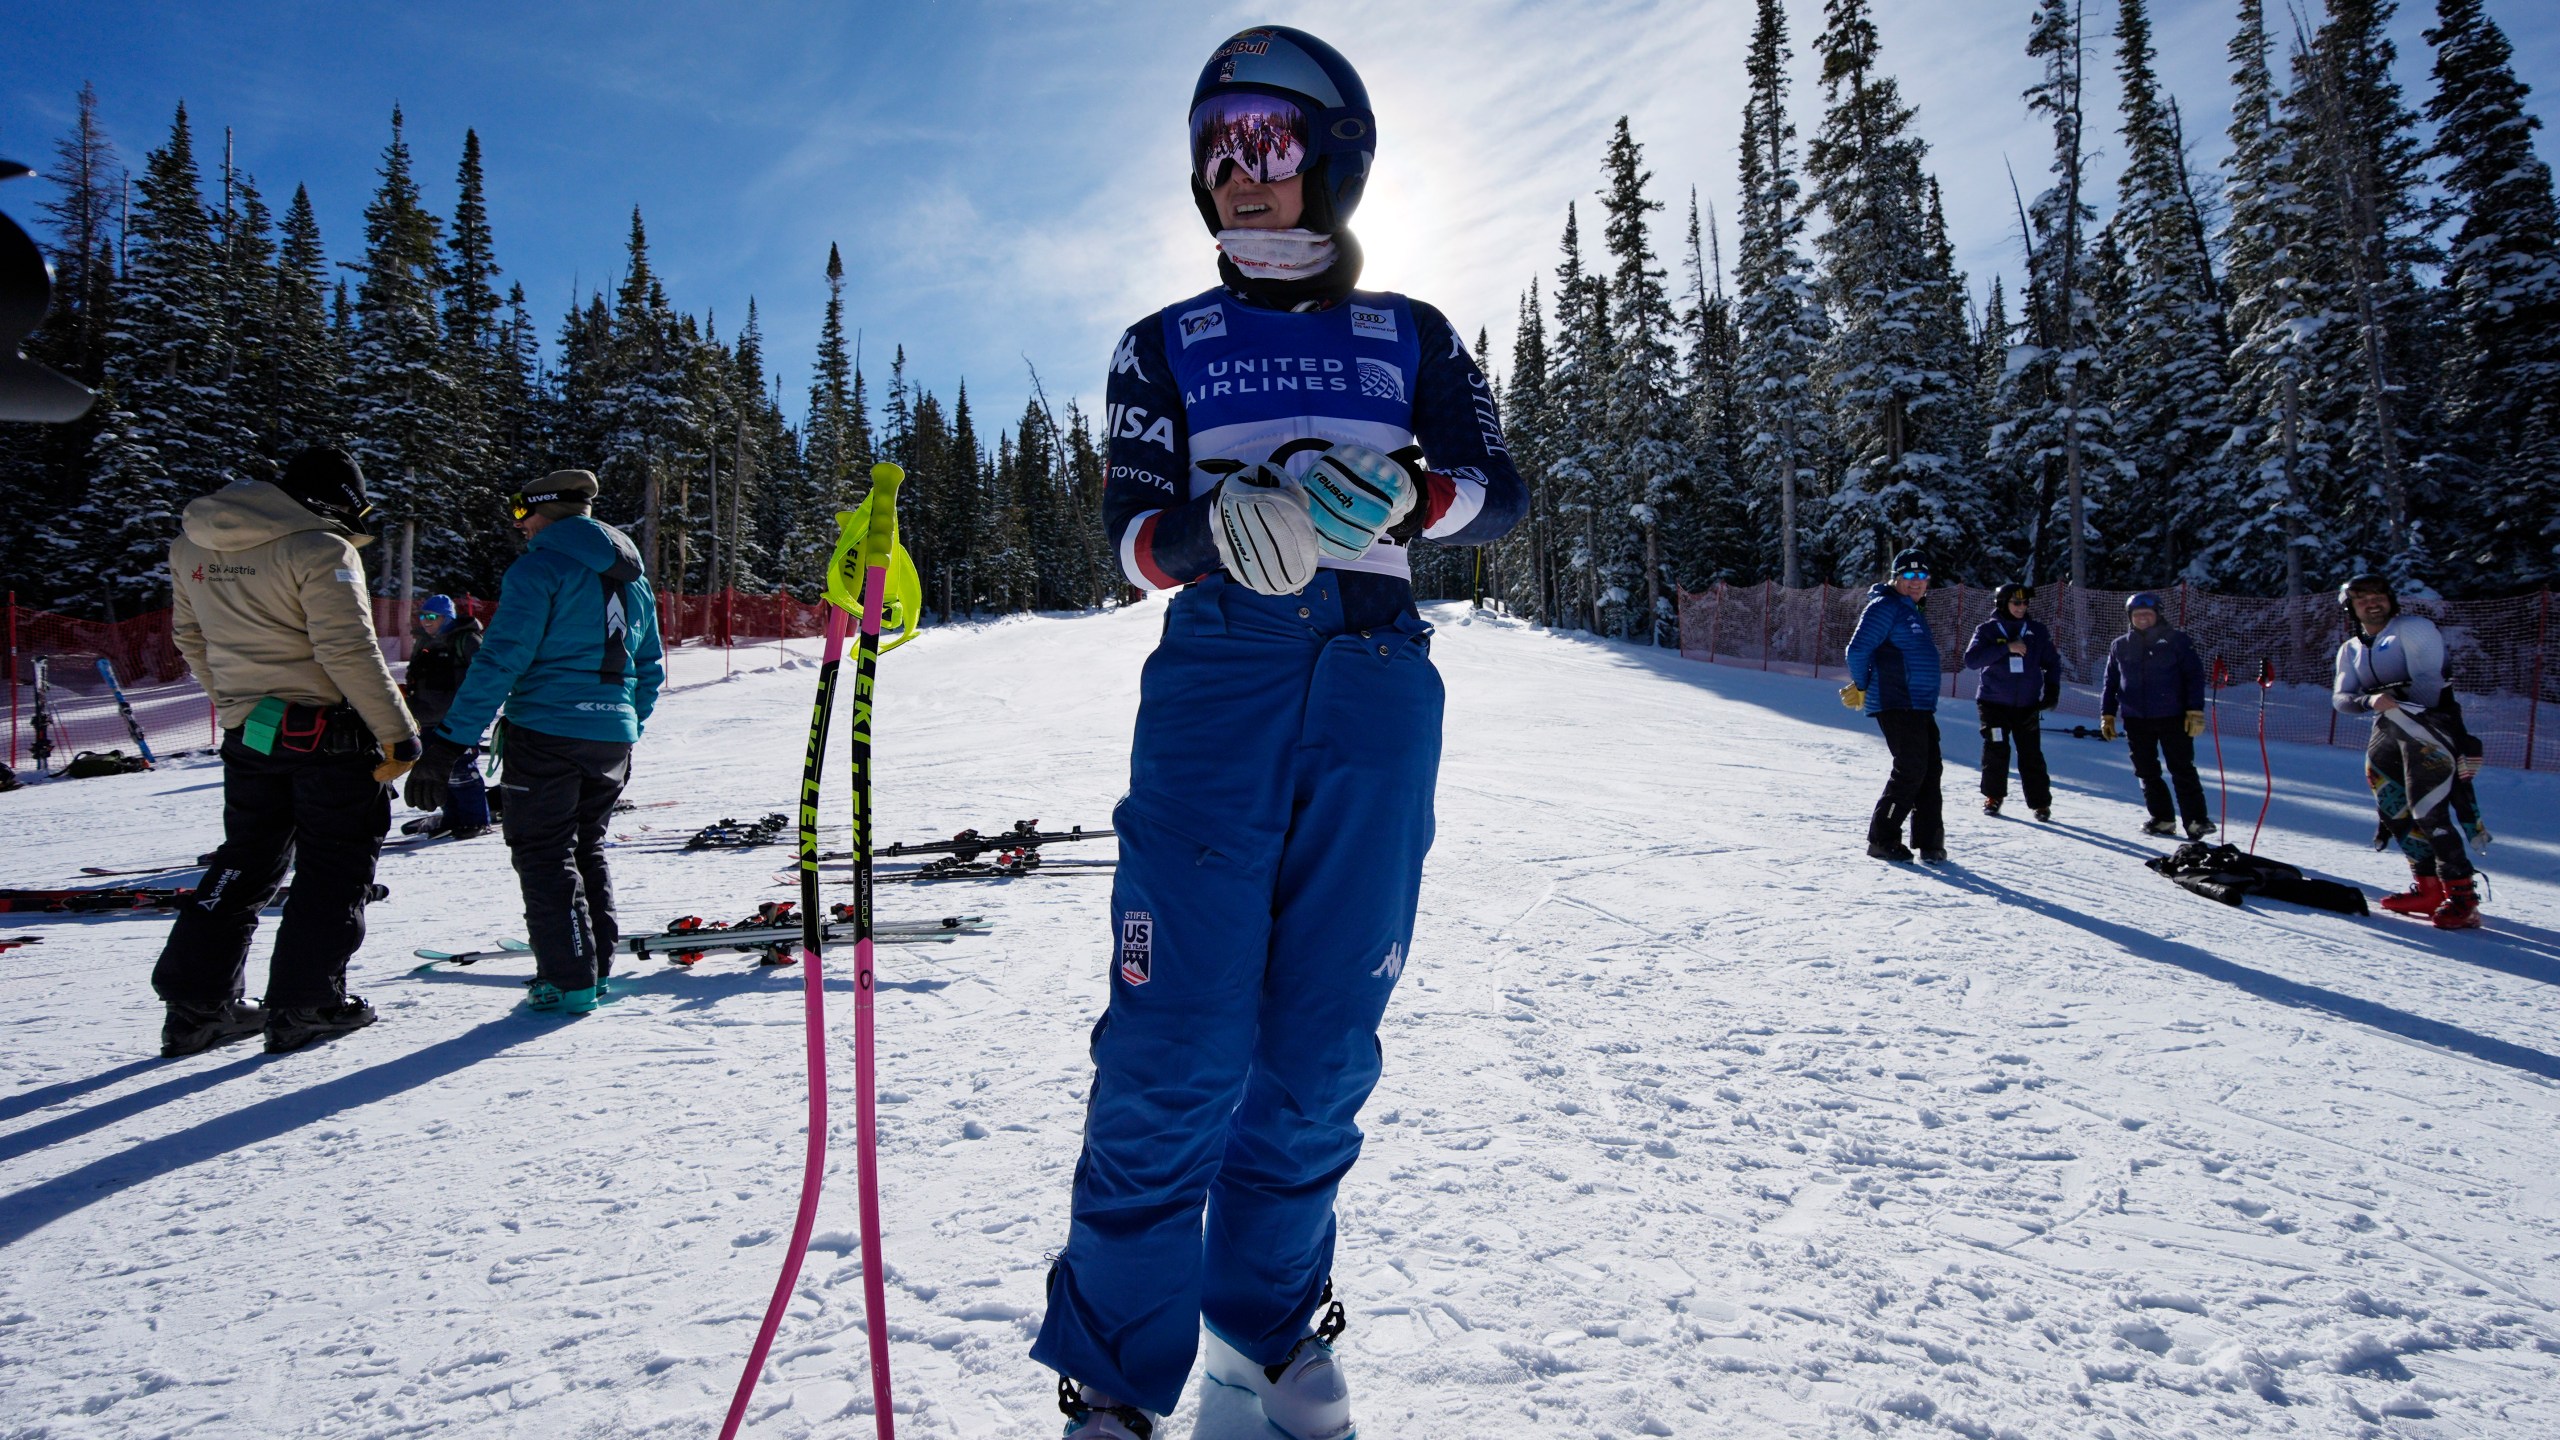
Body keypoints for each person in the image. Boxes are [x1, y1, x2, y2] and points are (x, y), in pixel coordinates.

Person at [1031, 27, 1526, 1440]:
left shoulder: (1414, 335)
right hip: (1223, 678)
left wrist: (1419, 500)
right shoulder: (1163, 346)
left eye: (1275, 140)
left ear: (1336, 156)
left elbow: (1501, 490)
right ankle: (1116, 1384)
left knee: (1319, 1052)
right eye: (1219, 147)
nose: (1243, 171)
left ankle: (1267, 1335)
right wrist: (1209, 525)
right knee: (1175, 1045)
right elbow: (1129, 538)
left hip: (1374, 680)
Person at [154, 447, 419, 1056]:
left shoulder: (192, 545)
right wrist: (398, 732)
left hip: (252, 731)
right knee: (334, 867)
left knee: (243, 860)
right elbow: (348, 651)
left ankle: (197, 1007)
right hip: (331, 736)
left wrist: (234, 706)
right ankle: (307, 1004)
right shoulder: (322, 550)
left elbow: (190, 638)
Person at [404, 471, 664, 1014]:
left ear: (544, 513)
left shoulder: (540, 567)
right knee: (585, 847)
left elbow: (502, 659)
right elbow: (649, 667)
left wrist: (451, 740)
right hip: (610, 737)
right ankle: (592, 969)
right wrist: (623, 724)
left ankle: (568, 979)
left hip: (547, 731)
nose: (520, 528)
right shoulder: (633, 578)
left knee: (544, 853)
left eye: (522, 516)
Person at [2333, 574, 2482, 928]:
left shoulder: (2412, 628)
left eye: (2378, 595)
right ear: (2350, 607)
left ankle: (2463, 896)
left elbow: (2429, 688)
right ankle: (2428, 888)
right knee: (2393, 809)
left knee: (2429, 810)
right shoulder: (2350, 649)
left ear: (2391, 599)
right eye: (2361, 598)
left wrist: (2380, 697)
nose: (2372, 602)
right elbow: (2341, 699)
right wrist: (2370, 698)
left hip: (2431, 729)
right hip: (2386, 733)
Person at [1842, 549, 1947, 863]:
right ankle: (1882, 838)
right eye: (1909, 576)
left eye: (1922, 576)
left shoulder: (1911, 610)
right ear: (1896, 577)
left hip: (1918, 704)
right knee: (1911, 767)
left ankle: (1930, 842)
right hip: (1896, 701)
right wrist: (1861, 685)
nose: (1916, 583)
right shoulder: (1885, 606)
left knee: (1930, 769)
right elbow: (1857, 649)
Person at [2099, 592, 2211, 839]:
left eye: (2147, 614)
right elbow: (2111, 682)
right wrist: (2107, 713)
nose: (2142, 619)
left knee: (2182, 768)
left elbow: (2194, 676)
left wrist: (2195, 709)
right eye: (2137, 615)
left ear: (2157, 615)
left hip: (2173, 716)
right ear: (2130, 617)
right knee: (2146, 771)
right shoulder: (2121, 645)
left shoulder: (2177, 641)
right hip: (2136, 718)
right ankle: (2162, 819)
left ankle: (2196, 820)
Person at [1961, 582, 2062, 820]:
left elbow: (2052, 662)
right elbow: (1972, 660)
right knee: (1996, 750)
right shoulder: (1987, 630)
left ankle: (2040, 803)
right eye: (2016, 602)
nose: (2021, 607)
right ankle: (1993, 797)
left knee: (2031, 754)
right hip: (1993, 703)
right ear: (2003, 603)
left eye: (2025, 602)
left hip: (2026, 705)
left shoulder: (2036, 630)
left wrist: (2052, 689)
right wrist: (2007, 647)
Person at [400, 594, 491, 838]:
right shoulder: (424, 642)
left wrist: (473, 715)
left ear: (446, 617)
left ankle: (476, 819)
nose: (425, 621)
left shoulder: (466, 640)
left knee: (461, 768)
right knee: (436, 772)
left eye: (431, 616)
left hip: (456, 719)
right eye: (422, 616)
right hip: (426, 718)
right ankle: (453, 817)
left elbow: (484, 678)